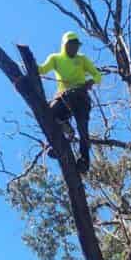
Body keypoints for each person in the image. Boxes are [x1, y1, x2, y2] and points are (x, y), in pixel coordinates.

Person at [37, 30, 103, 173]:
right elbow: (41, 69)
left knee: (83, 129)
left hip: (80, 97)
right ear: (64, 45)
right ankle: (61, 137)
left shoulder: (82, 59)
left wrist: (91, 81)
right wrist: (29, 63)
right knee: (49, 113)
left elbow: (98, 75)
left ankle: (84, 162)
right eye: (71, 45)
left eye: (76, 46)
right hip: (64, 96)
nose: (74, 48)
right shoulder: (55, 59)